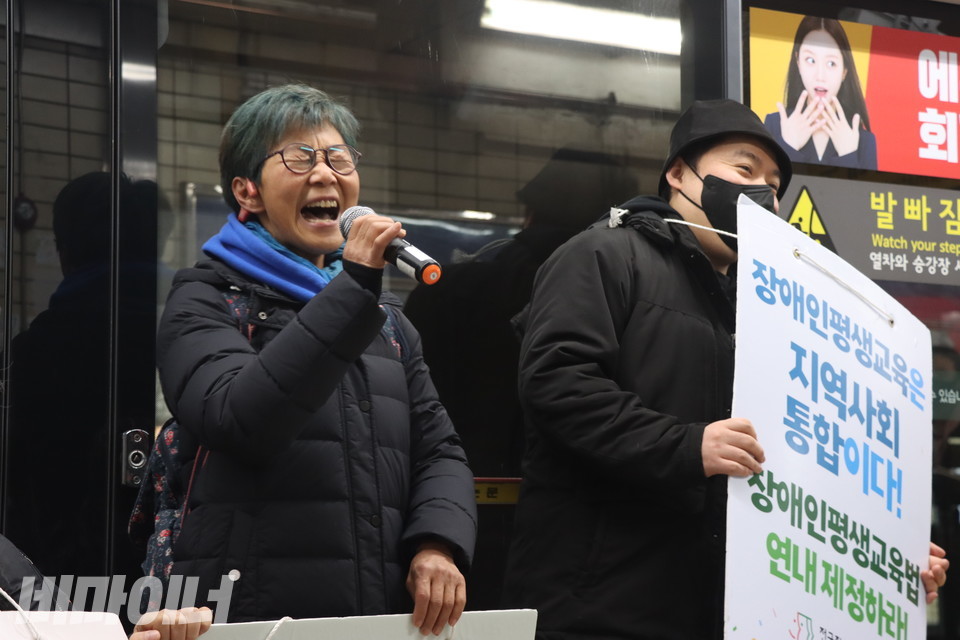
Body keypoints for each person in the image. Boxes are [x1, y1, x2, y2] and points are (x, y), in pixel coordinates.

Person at [502, 99, 947, 639]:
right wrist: (687, 446)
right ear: (677, 173)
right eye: (744, 168)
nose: (763, 191)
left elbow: (807, 453)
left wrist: (885, 554)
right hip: (599, 606)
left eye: (774, 185)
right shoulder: (604, 255)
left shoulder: (771, 308)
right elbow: (557, 383)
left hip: (723, 612)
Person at [154, 84, 476, 633]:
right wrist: (353, 288)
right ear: (248, 190)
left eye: (338, 158)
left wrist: (436, 543)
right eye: (299, 158)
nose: (325, 174)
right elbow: (239, 420)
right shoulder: (205, 300)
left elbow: (438, 450)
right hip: (248, 615)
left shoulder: (387, 321)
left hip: (376, 614)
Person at [403, 149, 636, 610]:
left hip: (448, 527)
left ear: (529, 212)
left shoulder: (448, 287)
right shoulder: (625, 296)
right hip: (578, 534)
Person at [763, 16, 877, 170]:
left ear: (844, 71)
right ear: (798, 62)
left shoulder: (865, 141)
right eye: (810, 60)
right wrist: (788, 147)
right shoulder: (774, 125)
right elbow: (765, 184)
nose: (820, 76)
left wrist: (847, 156)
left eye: (831, 63)